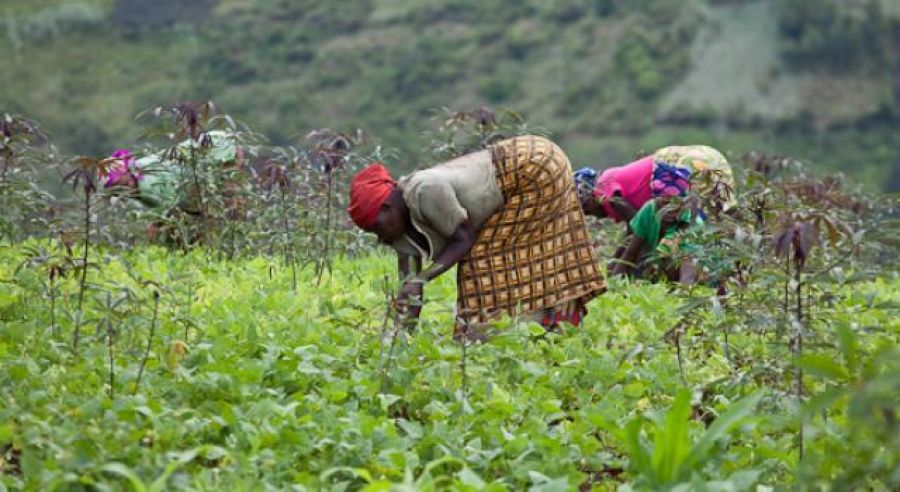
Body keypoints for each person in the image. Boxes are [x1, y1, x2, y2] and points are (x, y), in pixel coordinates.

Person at [347, 135, 605, 335]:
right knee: (531, 258)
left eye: (377, 229)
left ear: (388, 208)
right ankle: (544, 325)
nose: (380, 238)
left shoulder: (425, 190)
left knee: (482, 263)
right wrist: (401, 336)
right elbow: (411, 289)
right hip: (532, 166)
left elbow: (464, 239)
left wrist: (424, 278)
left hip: (533, 168)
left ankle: (519, 332)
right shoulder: (401, 230)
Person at [574, 145, 736, 283]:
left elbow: (636, 234)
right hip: (709, 156)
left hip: (685, 163)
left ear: (590, 198)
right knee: (716, 223)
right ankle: (727, 275)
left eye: (588, 211)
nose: (595, 216)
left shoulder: (607, 192)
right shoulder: (610, 178)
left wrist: (613, 271)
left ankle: (701, 281)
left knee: (691, 234)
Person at [102, 130, 247, 243]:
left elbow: (171, 201)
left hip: (218, 150)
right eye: (118, 191)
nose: (126, 192)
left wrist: (157, 224)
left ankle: (234, 242)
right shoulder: (140, 173)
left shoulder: (149, 183)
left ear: (129, 173)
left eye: (124, 185)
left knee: (227, 208)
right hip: (199, 170)